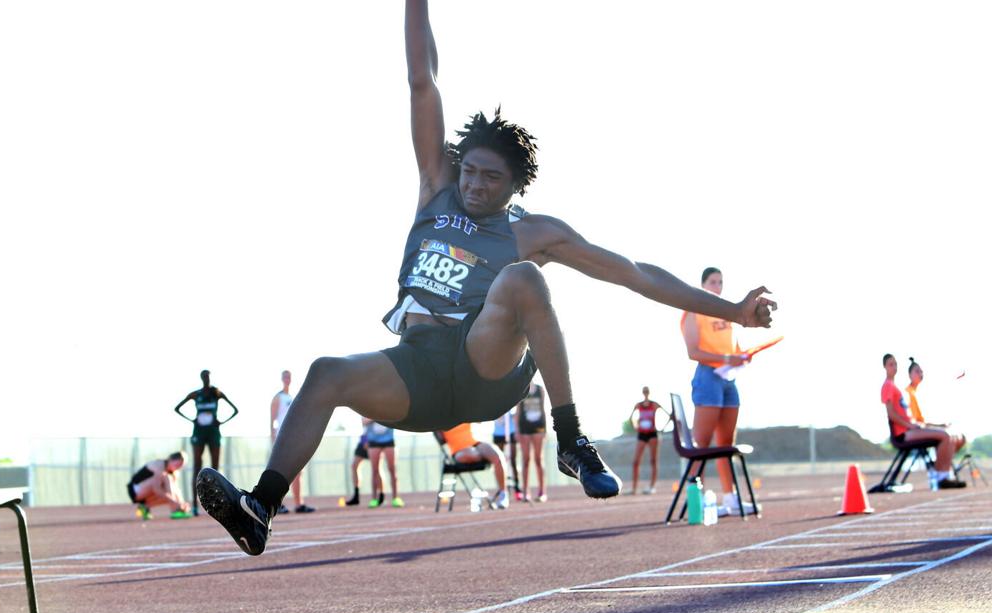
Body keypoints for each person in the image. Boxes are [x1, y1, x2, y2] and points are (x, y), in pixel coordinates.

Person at [195, 0, 776, 556]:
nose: (474, 185)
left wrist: (735, 312)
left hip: (484, 366)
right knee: (325, 373)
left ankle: (571, 439)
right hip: (419, 371)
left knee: (524, 279)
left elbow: (633, 274)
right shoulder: (435, 192)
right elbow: (422, 80)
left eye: (489, 179)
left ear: (513, 185)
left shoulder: (532, 232)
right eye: (469, 171)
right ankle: (260, 510)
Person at [681, 267, 763, 516]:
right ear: (703, 285)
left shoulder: (727, 314)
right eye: (713, 282)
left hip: (729, 380)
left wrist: (740, 356)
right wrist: (727, 357)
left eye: (721, 282)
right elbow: (693, 351)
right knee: (702, 445)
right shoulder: (693, 311)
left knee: (726, 444)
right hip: (707, 377)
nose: (718, 287)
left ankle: (731, 499)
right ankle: (696, 500)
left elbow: (732, 346)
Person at [884, 354, 965, 489]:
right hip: (904, 433)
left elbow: (918, 420)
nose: (894, 367)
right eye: (890, 364)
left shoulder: (899, 389)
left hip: (912, 429)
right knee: (946, 436)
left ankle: (941, 470)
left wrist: (938, 425)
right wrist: (911, 426)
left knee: (953, 436)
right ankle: (940, 476)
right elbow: (892, 414)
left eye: (895, 364)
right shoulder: (893, 388)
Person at [174, 369, 238, 514]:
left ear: (210, 378)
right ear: (201, 378)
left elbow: (235, 410)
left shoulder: (217, 393)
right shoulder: (196, 394)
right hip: (199, 432)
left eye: (208, 376)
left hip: (213, 431)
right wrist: (193, 420)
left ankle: (217, 504)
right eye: (204, 376)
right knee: (197, 467)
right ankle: (195, 505)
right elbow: (177, 408)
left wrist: (221, 422)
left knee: (215, 470)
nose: (206, 379)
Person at [906, 357, 968, 459]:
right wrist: (938, 427)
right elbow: (915, 422)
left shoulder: (915, 393)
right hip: (914, 430)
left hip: (920, 427)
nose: (920, 374)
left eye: (921, 371)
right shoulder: (908, 393)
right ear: (909, 375)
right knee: (947, 435)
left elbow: (921, 421)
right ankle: (941, 469)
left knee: (959, 437)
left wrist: (939, 425)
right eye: (917, 371)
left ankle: (943, 464)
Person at [272, 370, 315, 514]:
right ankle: (278, 504)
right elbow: (272, 421)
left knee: (298, 472)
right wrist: (273, 439)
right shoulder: (278, 397)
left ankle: (298, 504)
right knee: (281, 472)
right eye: (285, 376)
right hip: (282, 439)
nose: (287, 379)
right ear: (281, 379)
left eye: (289, 376)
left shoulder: (293, 397)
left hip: (294, 437)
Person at [442, 423, 510, 509]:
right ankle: (480, 495)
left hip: (475, 444)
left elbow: (479, 421)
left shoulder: (463, 411)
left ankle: (503, 494)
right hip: (458, 450)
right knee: (473, 454)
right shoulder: (441, 418)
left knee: (498, 456)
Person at [628, 386, 669, 495]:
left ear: (649, 393)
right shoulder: (638, 405)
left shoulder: (654, 404)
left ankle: (652, 487)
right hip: (642, 434)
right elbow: (630, 418)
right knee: (636, 462)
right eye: (644, 391)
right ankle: (634, 488)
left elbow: (669, 415)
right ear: (642, 393)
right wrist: (635, 426)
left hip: (652, 434)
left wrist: (662, 428)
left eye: (647, 391)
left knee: (653, 460)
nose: (645, 393)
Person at [127, 452, 191, 520]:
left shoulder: (174, 472)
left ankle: (144, 507)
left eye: (182, 465)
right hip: (136, 490)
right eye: (179, 464)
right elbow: (156, 489)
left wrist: (182, 503)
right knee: (167, 480)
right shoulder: (158, 465)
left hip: (149, 494)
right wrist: (175, 503)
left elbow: (176, 490)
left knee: (171, 491)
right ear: (171, 460)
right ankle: (175, 510)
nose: (179, 467)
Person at [516, 382, 548, 502]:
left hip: (538, 427)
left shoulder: (540, 390)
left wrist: (545, 429)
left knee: (538, 459)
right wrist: (517, 430)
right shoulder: (521, 388)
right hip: (524, 427)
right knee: (525, 460)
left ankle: (542, 492)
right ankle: (525, 492)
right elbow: (518, 411)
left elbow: (543, 409)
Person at [363, 418, 404, 507]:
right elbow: (364, 422)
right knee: (374, 471)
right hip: (373, 442)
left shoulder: (387, 407)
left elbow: (395, 419)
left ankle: (395, 498)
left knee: (392, 469)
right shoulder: (368, 409)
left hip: (389, 440)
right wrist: (364, 441)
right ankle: (374, 499)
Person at [490, 409, 522, 501]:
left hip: (510, 431)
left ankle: (517, 486)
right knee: (498, 461)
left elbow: (516, 410)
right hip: (498, 433)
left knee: (513, 460)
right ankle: (501, 488)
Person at [345, 433, 369, 506]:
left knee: (377, 468)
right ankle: (356, 496)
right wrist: (364, 440)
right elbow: (364, 423)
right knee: (354, 466)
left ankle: (380, 496)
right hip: (364, 439)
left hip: (378, 441)